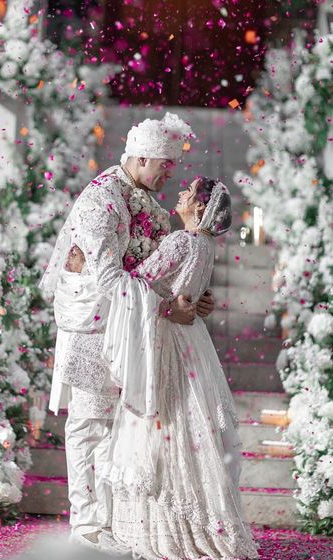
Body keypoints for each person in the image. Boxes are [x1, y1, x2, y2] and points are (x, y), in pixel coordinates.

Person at [38, 113, 215, 555]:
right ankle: (86, 524)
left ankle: (110, 520)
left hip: (127, 324)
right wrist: (168, 308)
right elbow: (108, 279)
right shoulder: (102, 199)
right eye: (164, 165)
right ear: (140, 158)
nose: (170, 175)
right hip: (93, 323)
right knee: (89, 422)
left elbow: (149, 268)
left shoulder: (143, 199)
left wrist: (186, 296)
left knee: (116, 425)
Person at [101, 177, 260, 559]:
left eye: (189, 193)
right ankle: (202, 519)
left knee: (165, 421)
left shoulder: (181, 241)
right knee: (187, 423)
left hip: (167, 335)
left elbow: (136, 281)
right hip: (191, 339)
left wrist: (119, 260)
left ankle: (165, 526)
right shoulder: (206, 246)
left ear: (200, 207)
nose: (181, 195)